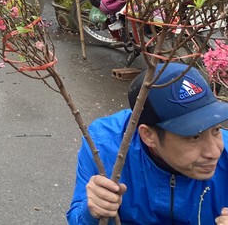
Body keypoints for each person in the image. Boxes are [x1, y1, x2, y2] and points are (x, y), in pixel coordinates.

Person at [68, 62, 228, 225]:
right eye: (194, 136)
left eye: (215, 129)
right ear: (148, 135)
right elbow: (77, 220)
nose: (214, 152)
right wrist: (91, 213)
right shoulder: (104, 146)